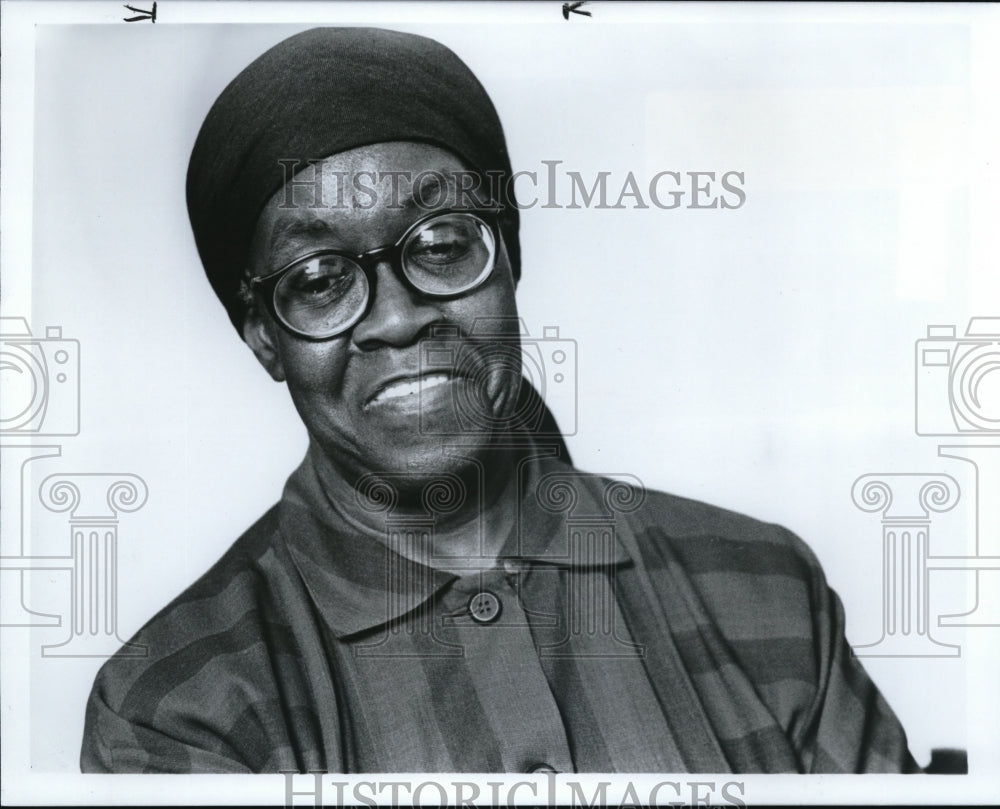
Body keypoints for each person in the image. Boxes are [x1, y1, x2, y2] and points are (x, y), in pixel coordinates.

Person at [80, 26, 920, 774]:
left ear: (508, 257)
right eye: (320, 279)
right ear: (265, 335)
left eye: (442, 244)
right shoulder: (180, 707)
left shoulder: (765, 590)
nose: (401, 317)